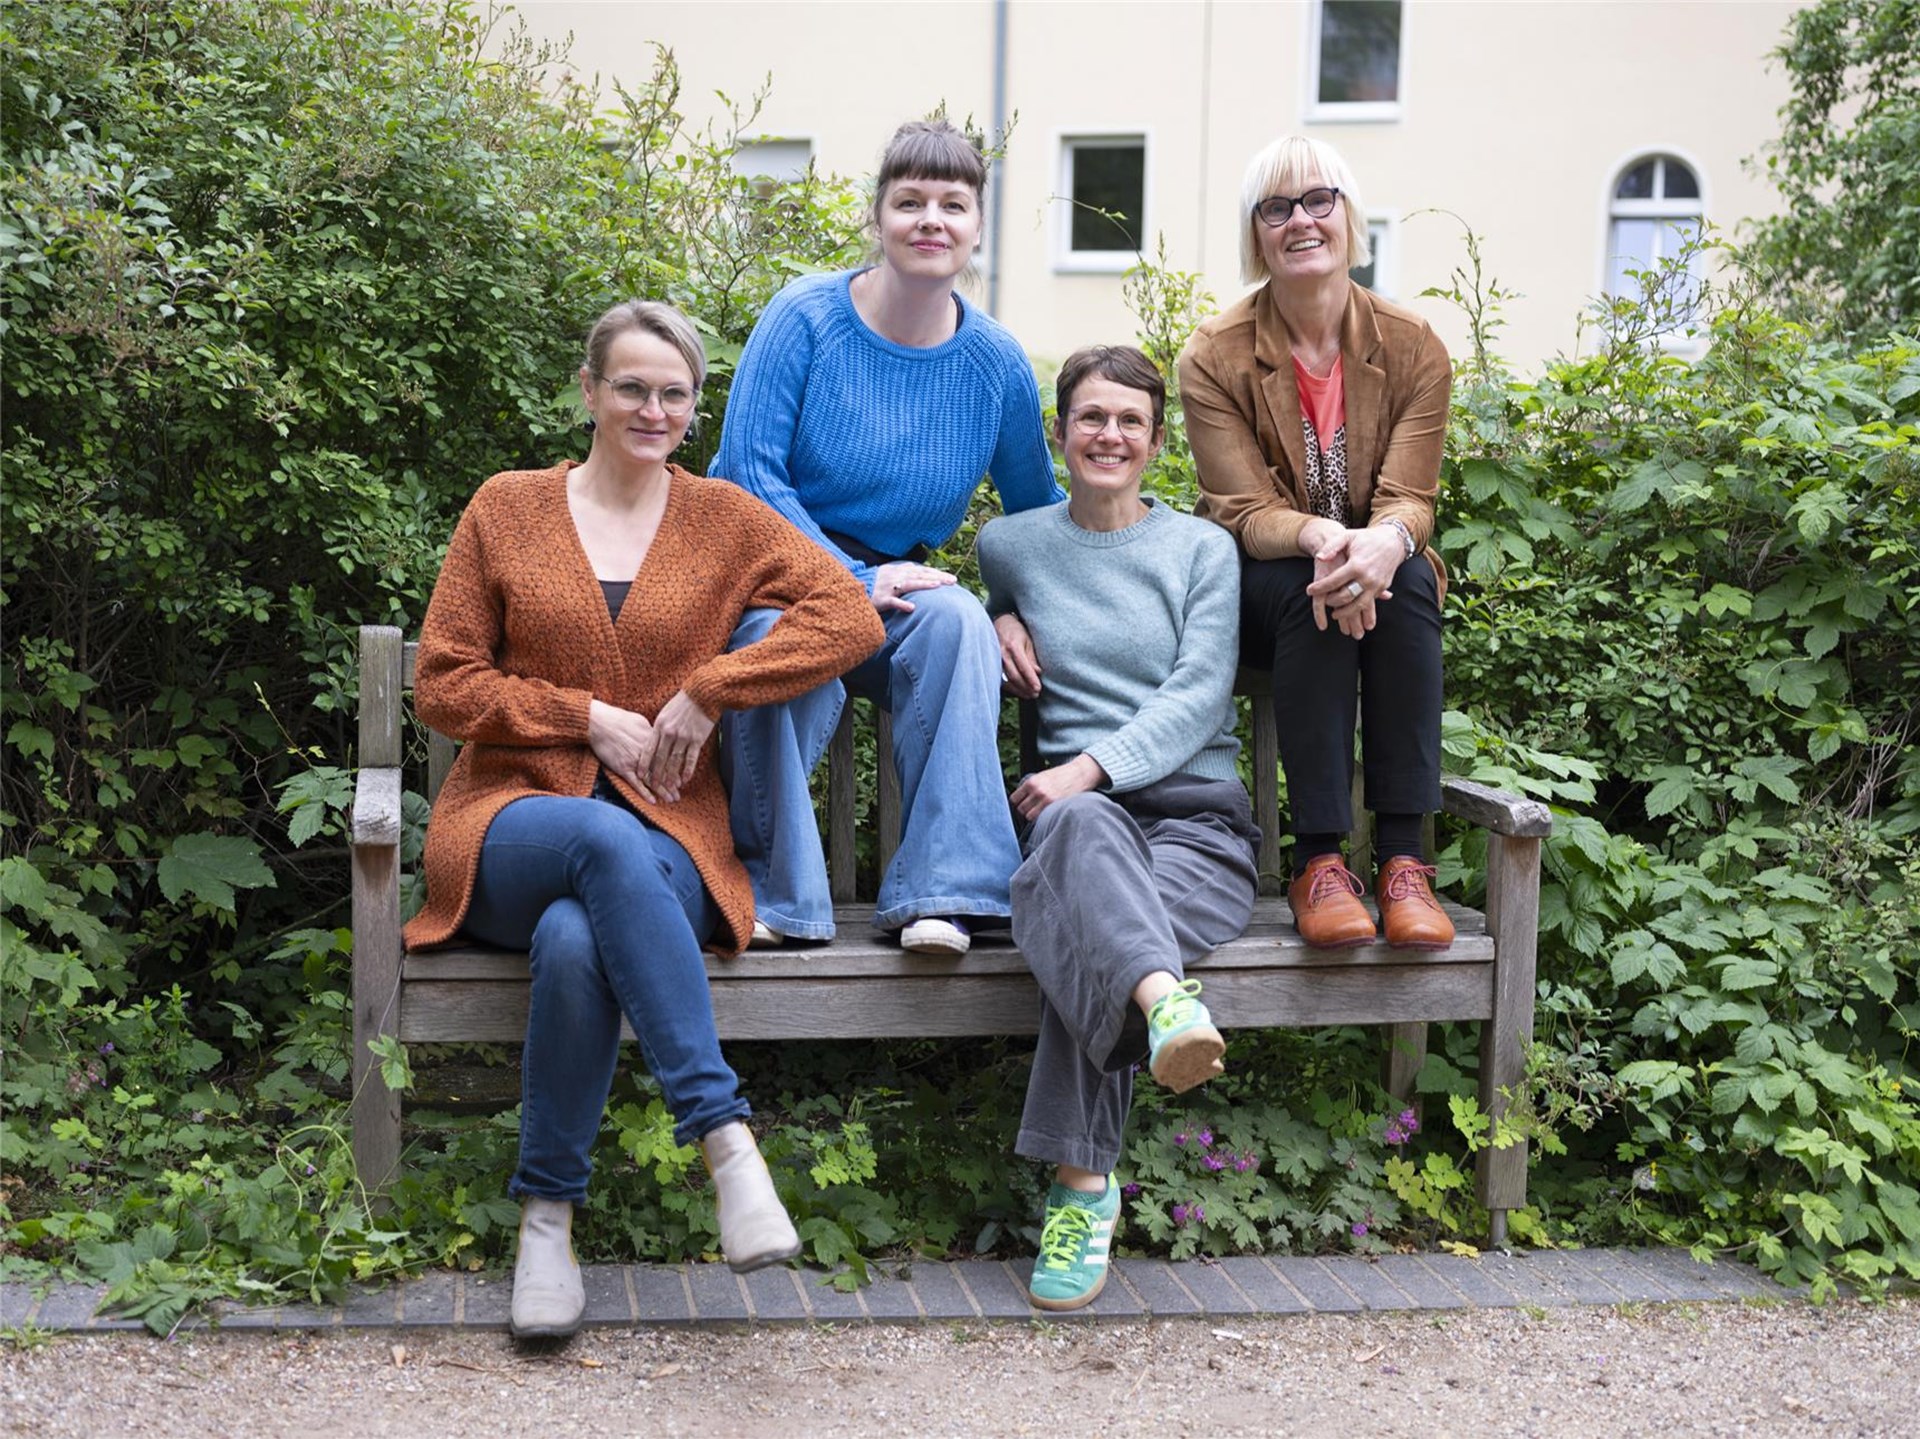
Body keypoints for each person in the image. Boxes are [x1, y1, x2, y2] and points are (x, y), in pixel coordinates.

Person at [404, 300, 885, 1341]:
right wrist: (584, 718)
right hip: (510, 819)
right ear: (588, 390)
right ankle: (725, 1138)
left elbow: (847, 612)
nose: (651, 407)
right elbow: (442, 683)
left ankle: (545, 1224)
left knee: (582, 936)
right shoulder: (507, 506)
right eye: (630, 386)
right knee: (595, 842)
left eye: (674, 392)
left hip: (671, 837)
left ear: (694, 407)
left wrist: (714, 686)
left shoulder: (723, 518)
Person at [713, 118, 1064, 956]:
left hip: (903, 589)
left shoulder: (996, 363)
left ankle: (944, 895)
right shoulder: (802, 319)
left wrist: (1013, 606)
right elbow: (748, 478)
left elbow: (1034, 511)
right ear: (879, 217)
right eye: (909, 201)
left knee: (959, 623)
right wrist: (841, 577)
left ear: (978, 226)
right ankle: (775, 894)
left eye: (952, 203)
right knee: (777, 639)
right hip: (777, 577)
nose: (930, 219)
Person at [979, 345, 1257, 1312]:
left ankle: (1080, 1188)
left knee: (1093, 930)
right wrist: (996, 619)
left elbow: (1198, 693)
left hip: (1198, 834)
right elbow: (984, 608)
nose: (1109, 435)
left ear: (1155, 442)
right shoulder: (1009, 545)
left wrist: (1087, 764)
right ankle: (1165, 1003)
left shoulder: (1199, 550)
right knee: (1089, 846)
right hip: (1079, 829)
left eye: (1129, 421)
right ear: (1060, 432)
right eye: (1091, 417)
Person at [1177, 134, 1455, 952]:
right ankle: (1321, 862)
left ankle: (1406, 865)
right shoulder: (1214, 356)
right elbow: (1239, 508)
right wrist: (1325, 536)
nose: (1300, 220)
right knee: (1314, 588)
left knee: (1404, 583)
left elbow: (1412, 497)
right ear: (1255, 233)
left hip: (1378, 570)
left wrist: (1388, 540)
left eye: (1318, 201)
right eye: (1276, 207)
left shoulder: (1412, 346)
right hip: (1266, 580)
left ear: (1348, 217)